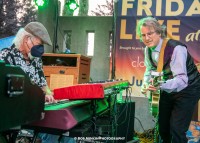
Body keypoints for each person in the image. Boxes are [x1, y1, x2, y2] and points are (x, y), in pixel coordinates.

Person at [0, 22, 75, 143]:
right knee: (52, 134)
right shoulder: (6, 56)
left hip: (36, 113)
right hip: (17, 117)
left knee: (68, 132)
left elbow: (42, 83)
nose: (41, 50)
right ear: (26, 39)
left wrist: (49, 94)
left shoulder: (36, 60)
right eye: (39, 45)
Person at [137, 17, 200, 143]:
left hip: (189, 89)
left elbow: (182, 80)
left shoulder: (176, 48)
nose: (146, 38)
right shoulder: (147, 50)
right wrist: (145, 83)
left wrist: (160, 85)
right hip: (167, 87)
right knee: (163, 128)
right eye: (143, 35)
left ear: (159, 33)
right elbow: (150, 69)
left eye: (150, 34)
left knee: (176, 129)